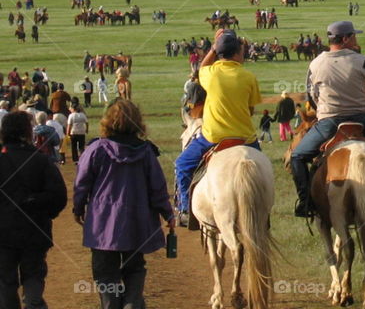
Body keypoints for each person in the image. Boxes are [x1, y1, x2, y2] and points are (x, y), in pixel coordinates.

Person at [74, 99, 175, 309]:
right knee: (135, 268)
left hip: (102, 225)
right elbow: (157, 187)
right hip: (136, 222)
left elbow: (81, 183)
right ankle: (132, 303)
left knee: (105, 272)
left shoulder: (96, 149)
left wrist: (78, 207)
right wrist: (168, 214)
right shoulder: (147, 152)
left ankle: (111, 305)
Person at [290, 20, 365, 218]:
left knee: (297, 157)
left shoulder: (315, 64)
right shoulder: (360, 60)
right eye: (354, 36)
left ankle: (305, 202)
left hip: (328, 122)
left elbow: (312, 96)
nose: (356, 39)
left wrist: (323, 110)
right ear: (346, 39)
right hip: (361, 120)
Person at [174, 30, 262, 224]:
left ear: (218, 52)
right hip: (246, 138)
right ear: (238, 53)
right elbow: (251, 111)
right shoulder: (249, 77)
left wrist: (213, 48)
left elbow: (202, 67)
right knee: (263, 171)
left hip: (213, 137)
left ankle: (184, 209)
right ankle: (264, 217)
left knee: (182, 166)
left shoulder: (209, 74)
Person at [0, 111, 67, 309]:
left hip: (3, 232)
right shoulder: (41, 160)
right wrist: (45, 212)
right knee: (33, 277)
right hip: (35, 228)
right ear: (27, 132)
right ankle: (33, 304)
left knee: (5, 282)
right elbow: (59, 197)